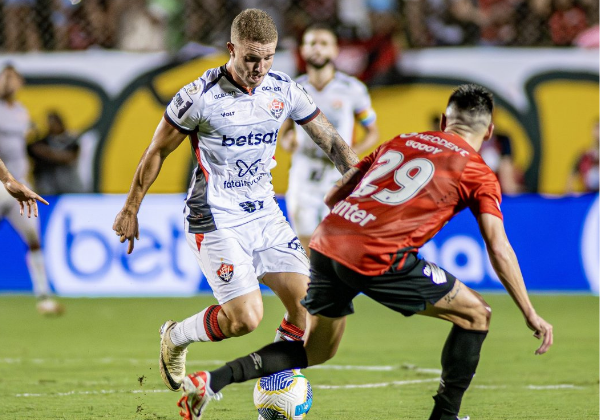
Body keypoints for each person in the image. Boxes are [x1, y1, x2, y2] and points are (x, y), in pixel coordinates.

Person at [176, 84, 554, 420]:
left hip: (328, 241)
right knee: (476, 316)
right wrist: (529, 311)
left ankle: (212, 380)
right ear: (488, 131)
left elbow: (334, 194)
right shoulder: (477, 171)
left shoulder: (402, 141)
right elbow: (497, 246)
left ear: (443, 120)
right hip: (379, 256)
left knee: (316, 351)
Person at [112, 8, 358, 394]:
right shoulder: (199, 96)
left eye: (268, 57)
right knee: (245, 319)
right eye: (251, 58)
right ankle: (176, 336)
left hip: (265, 214)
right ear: (231, 49)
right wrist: (131, 207)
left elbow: (331, 142)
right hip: (214, 216)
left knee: (307, 310)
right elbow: (157, 150)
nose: (260, 67)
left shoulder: (284, 89)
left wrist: (364, 187)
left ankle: (276, 386)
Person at [281, 24, 379, 254]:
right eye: (311, 43)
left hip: (338, 175)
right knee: (305, 240)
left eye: (323, 43)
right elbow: (285, 131)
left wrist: (349, 153)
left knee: (337, 240)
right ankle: (311, 289)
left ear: (335, 51)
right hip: (304, 170)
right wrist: (287, 142)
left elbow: (372, 131)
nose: (317, 49)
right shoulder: (293, 89)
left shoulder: (352, 89)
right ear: (303, 51)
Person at [0, 64, 63, 316]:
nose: (9, 82)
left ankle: (43, 296)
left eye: (13, 78)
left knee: (34, 240)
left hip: (20, 185)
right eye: (6, 78)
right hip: (1, 182)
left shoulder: (21, 112)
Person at [27, 110, 84, 195]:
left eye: (54, 122)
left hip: (69, 182)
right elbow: (32, 151)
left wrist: (47, 152)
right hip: (48, 185)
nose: (51, 125)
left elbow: (70, 158)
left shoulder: (71, 140)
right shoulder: (42, 141)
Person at [566, 119, 599, 193]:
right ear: (592, 131)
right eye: (596, 128)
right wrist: (569, 193)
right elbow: (572, 174)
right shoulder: (584, 155)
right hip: (588, 196)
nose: (598, 132)